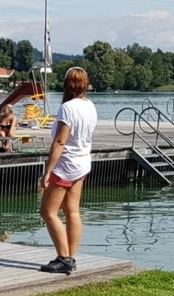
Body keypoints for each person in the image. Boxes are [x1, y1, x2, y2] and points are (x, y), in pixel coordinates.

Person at [38, 66, 98, 274]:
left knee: (47, 211)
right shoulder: (90, 106)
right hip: (82, 162)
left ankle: (63, 257)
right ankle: (70, 257)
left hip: (65, 165)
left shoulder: (68, 108)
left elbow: (60, 141)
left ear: (67, 85)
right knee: (72, 210)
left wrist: (48, 171)